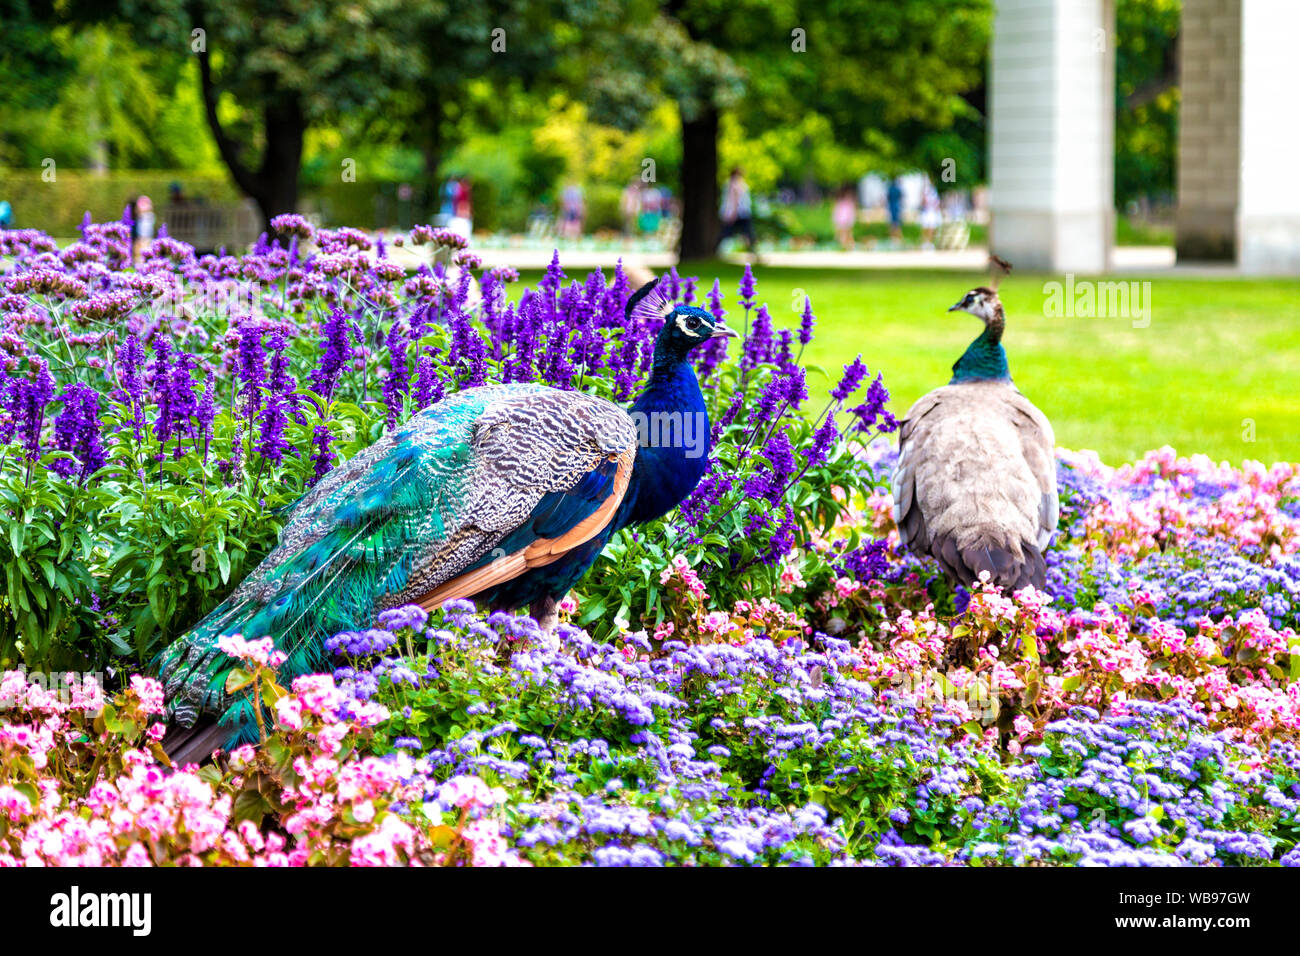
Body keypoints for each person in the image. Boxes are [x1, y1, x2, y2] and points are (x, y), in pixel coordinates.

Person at [719, 167, 755, 254]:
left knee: (745, 232)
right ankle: (719, 251)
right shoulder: (734, 183)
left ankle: (752, 251)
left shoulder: (735, 183)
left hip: (741, 212)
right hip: (738, 213)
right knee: (729, 232)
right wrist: (733, 213)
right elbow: (734, 199)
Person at [832, 184, 857, 250]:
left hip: (844, 220)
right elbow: (837, 212)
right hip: (843, 220)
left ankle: (848, 246)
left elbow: (837, 212)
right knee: (844, 234)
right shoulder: (842, 202)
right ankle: (845, 246)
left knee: (847, 234)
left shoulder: (846, 203)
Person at [919, 180, 941, 250]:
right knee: (925, 228)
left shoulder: (934, 192)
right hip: (926, 212)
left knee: (932, 228)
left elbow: (936, 203)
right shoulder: (925, 192)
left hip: (932, 212)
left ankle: (930, 243)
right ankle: (925, 243)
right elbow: (922, 203)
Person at [886, 177, 904, 242]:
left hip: (891, 207)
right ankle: (898, 238)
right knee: (897, 223)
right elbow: (901, 197)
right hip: (897, 206)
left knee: (892, 223)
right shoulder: (898, 189)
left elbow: (888, 197)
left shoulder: (890, 189)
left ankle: (893, 238)